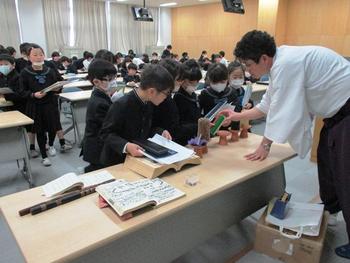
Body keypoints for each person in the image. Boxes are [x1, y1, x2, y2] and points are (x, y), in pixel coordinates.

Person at [219, 30, 350, 259]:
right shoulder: (280, 62)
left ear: (264, 59)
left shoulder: (287, 64)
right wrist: (236, 115)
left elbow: (282, 111)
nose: (248, 72)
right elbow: (268, 104)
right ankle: (330, 211)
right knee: (328, 165)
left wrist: (265, 145)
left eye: (249, 65)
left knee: (346, 175)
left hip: (347, 112)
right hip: (337, 115)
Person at [99, 64, 174, 167]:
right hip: (117, 161)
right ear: (151, 91)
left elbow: (146, 128)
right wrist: (126, 146)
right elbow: (105, 134)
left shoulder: (148, 102)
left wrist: (161, 132)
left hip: (138, 159)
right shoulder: (122, 104)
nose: (166, 97)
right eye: (166, 93)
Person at [19, 44, 61, 166]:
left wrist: (57, 89)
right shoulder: (25, 73)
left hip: (50, 104)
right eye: (35, 55)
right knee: (40, 131)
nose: (38, 57)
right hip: (36, 105)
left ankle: (51, 145)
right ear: (28, 57)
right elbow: (22, 91)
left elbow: (57, 84)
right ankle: (44, 155)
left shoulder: (50, 70)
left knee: (53, 127)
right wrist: (33, 95)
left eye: (41, 54)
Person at [82, 59, 117, 172]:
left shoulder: (101, 95)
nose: (113, 82)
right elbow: (110, 126)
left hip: (97, 144)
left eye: (113, 78)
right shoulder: (99, 103)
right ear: (96, 82)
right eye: (109, 79)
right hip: (97, 148)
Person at [199, 63, 241, 131]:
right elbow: (199, 115)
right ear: (209, 80)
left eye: (222, 82)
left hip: (229, 128)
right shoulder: (204, 94)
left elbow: (237, 109)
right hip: (211, 129)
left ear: (227, 78)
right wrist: (205, 124)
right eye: (215, 82)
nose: (219, 85)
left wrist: (232, 120)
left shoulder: (232, 92)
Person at [173, 59, 202, 127]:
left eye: (197, 82)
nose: (195, 85)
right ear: (182, 80)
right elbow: (179, 125)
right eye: (191, 82)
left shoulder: (194, 95)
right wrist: (198, 126)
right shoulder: (178, 97)